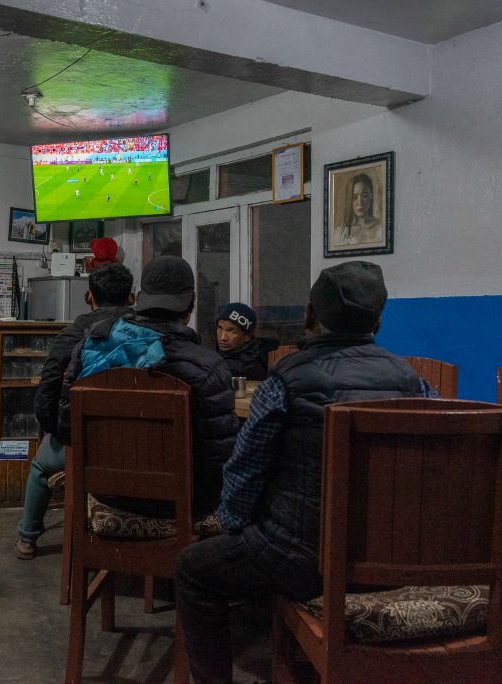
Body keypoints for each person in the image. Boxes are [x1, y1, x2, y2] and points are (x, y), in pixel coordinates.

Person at [174, 261, 435, 684]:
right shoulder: (413, 382)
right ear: (379, 317)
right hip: (390, 560)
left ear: (311, 315)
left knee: (193, 569)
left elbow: (246, 469)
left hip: (299, 561)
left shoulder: (287, 378)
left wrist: (235, 525)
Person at [57, 256, 240, 520]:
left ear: (140, 298)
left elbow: (66, 430)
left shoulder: (91, 346)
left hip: (103, 493)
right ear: (190, 304)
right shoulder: (208, 367)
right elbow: (219, 462)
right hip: (179, 505)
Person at [14, 263, 134, 559]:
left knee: (41, 468)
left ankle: (28, 539)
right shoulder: (146, 334)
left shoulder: (71, 336)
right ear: (131, 298)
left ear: (88, 297)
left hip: (79, 443)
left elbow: (46, 395)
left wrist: (57, 430)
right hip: (136, 446)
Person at [214, 302, 277, 381]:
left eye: (231, 332)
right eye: (220, 328)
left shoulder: (252, 367)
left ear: (247, 336)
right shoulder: (212, 355)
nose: (223, 337)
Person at [335, 173, 382, 246]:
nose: (360, 202)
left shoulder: (381, 227)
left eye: (365, 196)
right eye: (355, 197)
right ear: (350, 199)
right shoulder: (342, 232)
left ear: (371, 196)